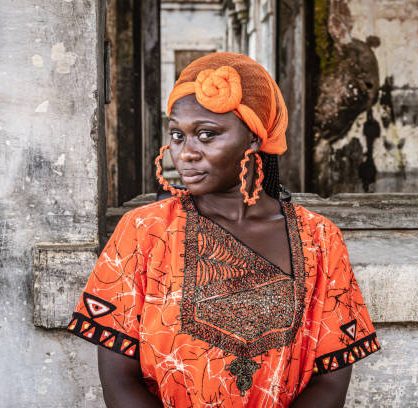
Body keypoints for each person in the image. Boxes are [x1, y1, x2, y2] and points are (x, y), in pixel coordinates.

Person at [67, 52, 380, 407]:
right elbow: (119, 380)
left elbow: (331, 381)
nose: (185, 153)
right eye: (177, 135)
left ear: (254, 138)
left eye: (206, 134)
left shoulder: (319, 239)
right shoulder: (144, 232)